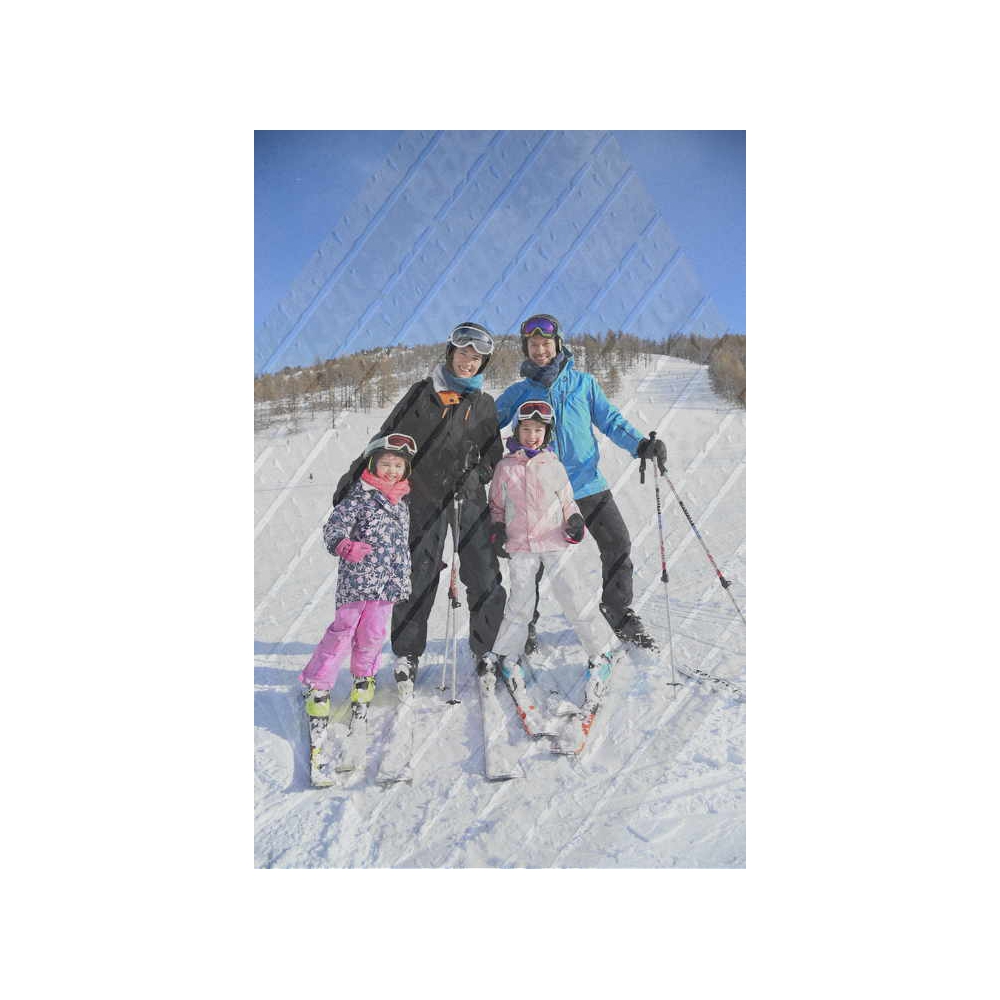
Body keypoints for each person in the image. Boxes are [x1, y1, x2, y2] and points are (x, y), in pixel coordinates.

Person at [332, 323, 507, 698]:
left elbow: (494, 454)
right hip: (423, 496)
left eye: (476, 359)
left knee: (484, 573)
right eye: (463, 354)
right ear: (451, 353)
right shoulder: (421, 394)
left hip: (468, 497)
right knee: (417, 574)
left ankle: (486, 649)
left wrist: (477, 473)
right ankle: (407, 654)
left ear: (483, 364)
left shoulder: (484, 405)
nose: (468, 362)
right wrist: (353, 478)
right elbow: (384, 439)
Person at [494, 314, 667, 649]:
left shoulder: (583, 384)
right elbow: (487, 425)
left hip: (587, 483)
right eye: (533, 345)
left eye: (545, 343)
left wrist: (640, 445)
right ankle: (526, 623)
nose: (540, 350)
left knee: (617, 542)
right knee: (532, 561)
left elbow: (610, 420)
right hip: (539, 493)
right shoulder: (519, 392)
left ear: (558, 344)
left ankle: (617, 611)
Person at [479, 400, 621, 735]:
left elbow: (568, 501)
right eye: (526, 429)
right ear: (517, 431)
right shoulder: (505, 467)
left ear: (547, 434)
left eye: (538, 431)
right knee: (520, 603)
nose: (532, 436)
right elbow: (496, 505)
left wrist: (574, 520)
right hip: (521, 545)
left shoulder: (553, 463)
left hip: (555, 541)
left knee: (573, 595)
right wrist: (496, 528)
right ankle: (508, 656)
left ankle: (599, 653)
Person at [301, 433, 416, 725]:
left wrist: (405, 570)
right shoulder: (358, 497)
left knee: (373, 634)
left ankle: (364, 677)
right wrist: (344, 545)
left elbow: (400, 544)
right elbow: (333, 527)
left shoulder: (401, 503)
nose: (392, 471)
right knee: (343, 633)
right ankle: (318, 684)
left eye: (398, 465)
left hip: (387, 586)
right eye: (386, 463)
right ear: (372, 464)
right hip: (357, 583)